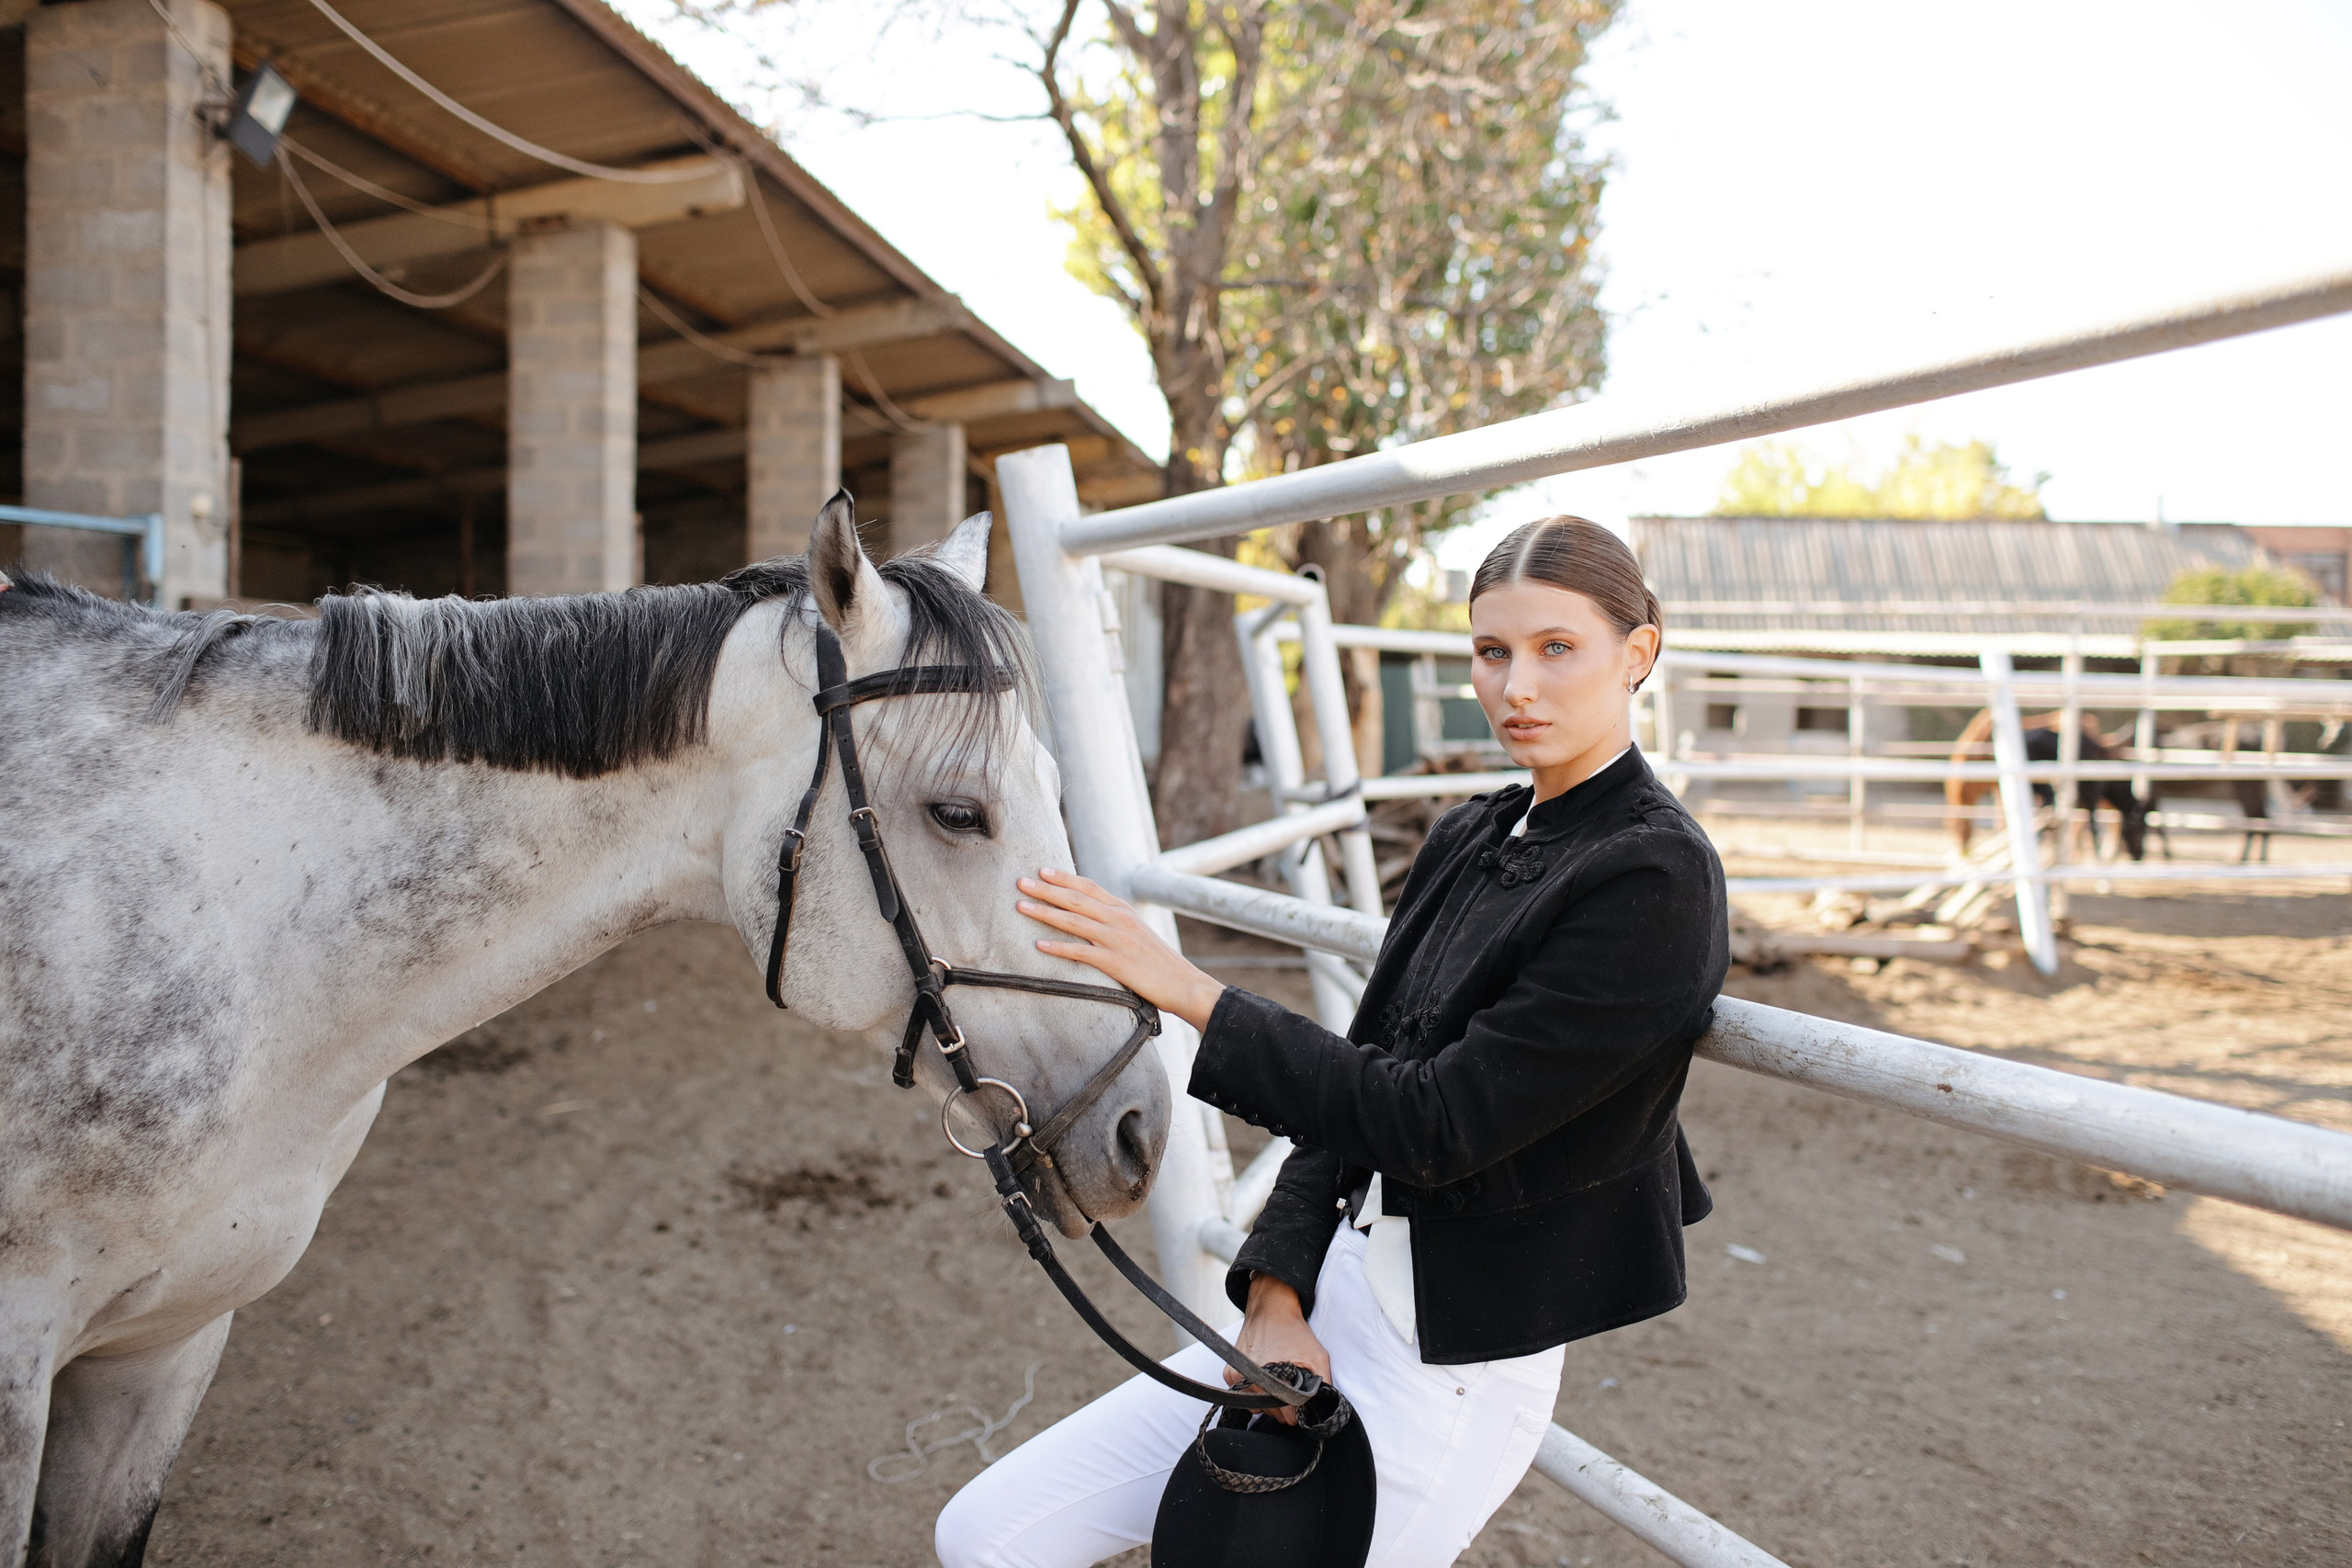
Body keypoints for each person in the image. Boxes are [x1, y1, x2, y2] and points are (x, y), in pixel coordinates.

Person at [936, 517, 1728, 1568]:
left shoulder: (1654, 878)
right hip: (1320, 1302)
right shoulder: (1467, 834)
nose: (1516, 688)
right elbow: (1349, 1089)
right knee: (988, 1532)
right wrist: (1275, 1297)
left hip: (1451, 1355)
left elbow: (1434, 1122)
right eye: (1492, 653)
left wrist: (1186, 989)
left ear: (1637, 652)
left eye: (1556, 649)